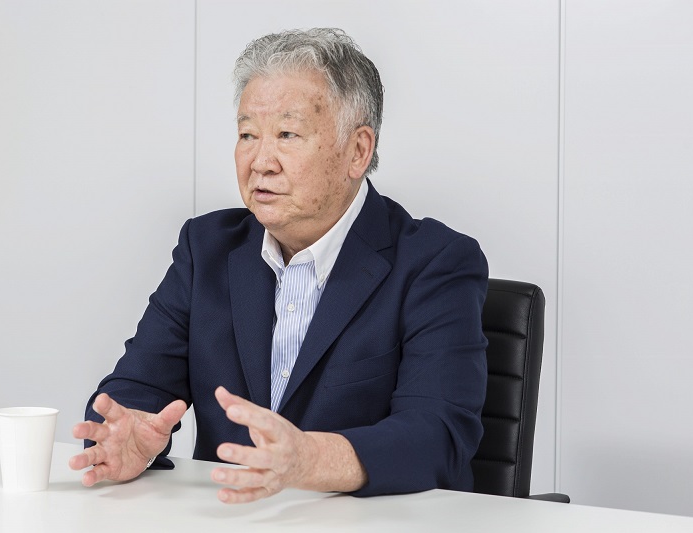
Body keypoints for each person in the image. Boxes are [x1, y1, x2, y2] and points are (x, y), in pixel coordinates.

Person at [69, 28, 489, 504]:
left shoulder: (435, 262)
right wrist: (128, 437)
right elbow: (138, 387)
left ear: (357, 151)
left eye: (287, 134)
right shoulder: (206, 249)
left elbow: (437, 434)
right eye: (248, 134)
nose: (260, 162)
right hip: (232, 518)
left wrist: (310, 459)